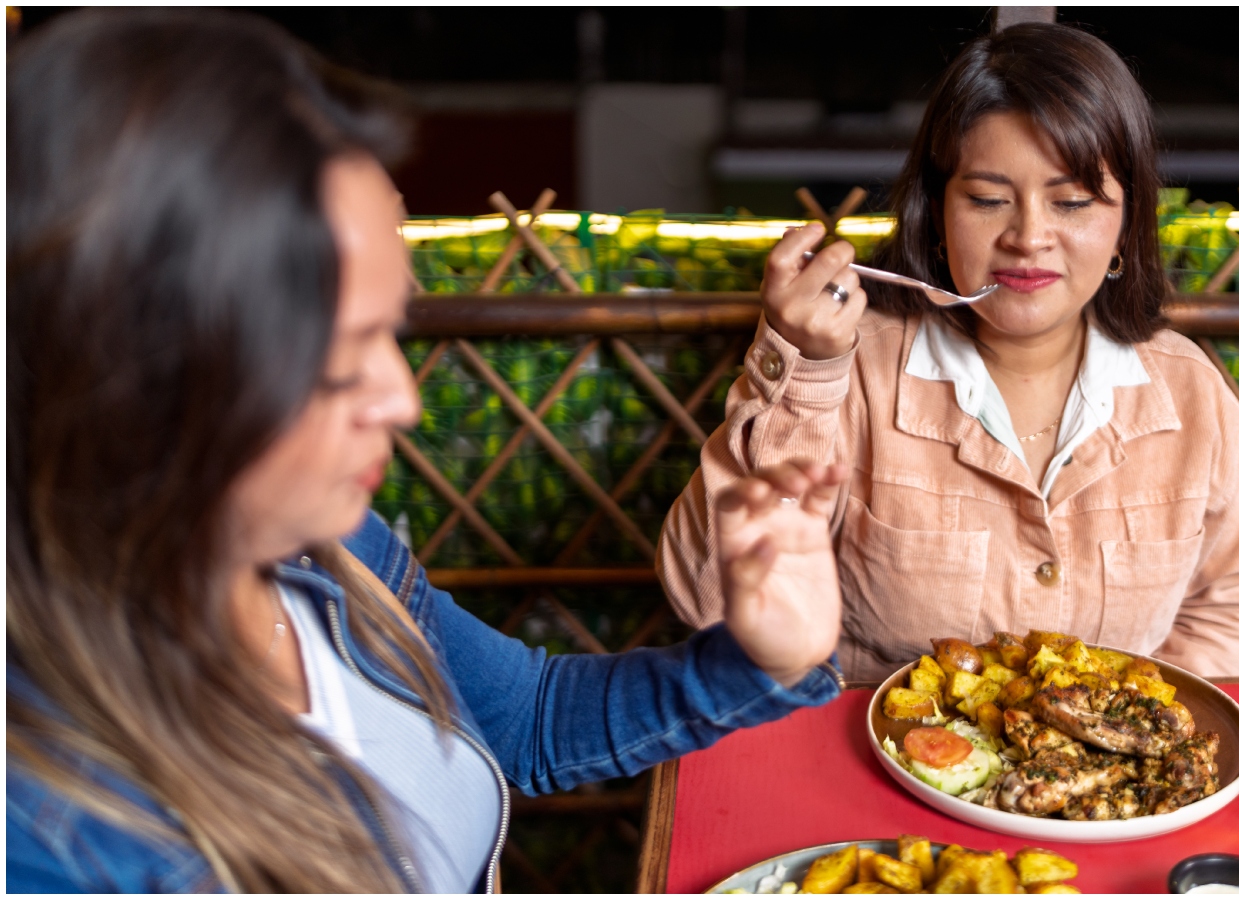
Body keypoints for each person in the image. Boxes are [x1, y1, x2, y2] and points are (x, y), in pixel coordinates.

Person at [6, 9, 847, 893]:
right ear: (133, 364)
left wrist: (760, 659)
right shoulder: (50, 837)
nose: (402, 400)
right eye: (338, 357)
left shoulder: (324, 550)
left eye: (395, 334)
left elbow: (525, 722)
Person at [660, 22, 1239, 684]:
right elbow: (710, 605)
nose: (1029, 238)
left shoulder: (1191, 395)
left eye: (1071, 202)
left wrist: (1133, 745)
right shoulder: (852, 373)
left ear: (1126, 224)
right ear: (938, 212)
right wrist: (802, 370)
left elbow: (1225, 611)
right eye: (987, 200)